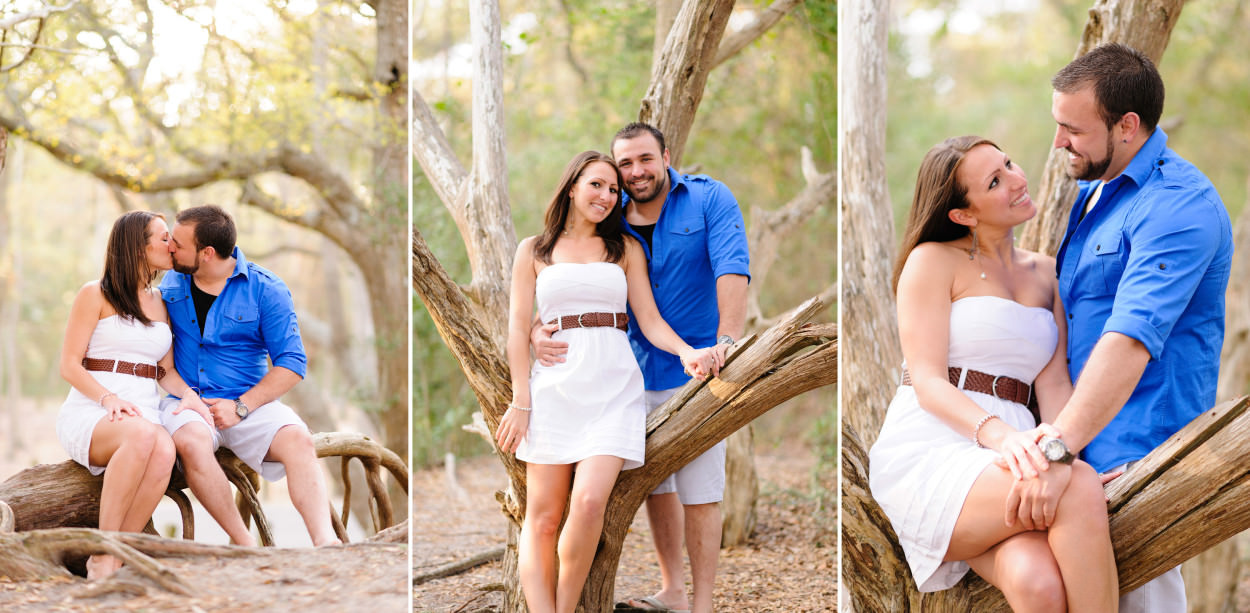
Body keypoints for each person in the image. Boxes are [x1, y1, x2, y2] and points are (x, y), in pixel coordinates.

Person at [868, 136, 1119, 612]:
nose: (1017, 179)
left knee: (1036, 583)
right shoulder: (931, 262)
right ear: (964, 214)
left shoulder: (1049, 274)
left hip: (1023, 448)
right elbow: (927, 381)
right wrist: (1007, 440)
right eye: (995, 181)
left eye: (1008, 163)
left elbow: (1054, 386)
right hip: (937, 447)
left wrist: (1065, 452)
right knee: (1080, 487)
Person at [1046, 43, 1233, 612]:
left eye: (1071, 129)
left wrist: (1055, 452)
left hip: (1137, 463)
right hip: (1081, 457)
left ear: (1127, 126)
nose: (1058, 143)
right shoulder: (1096, 190)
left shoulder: (1180, 205)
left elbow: (1128, 341)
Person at [535, 123, 750, 613]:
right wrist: (535, 329)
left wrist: (727, 343)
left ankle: (702, 604)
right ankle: (671, 588)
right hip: (626, 375)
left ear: (666, 156)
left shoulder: (708, 198)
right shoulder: (610, 218)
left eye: (644, 160)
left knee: (700, 489)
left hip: (700, 369)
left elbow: (732, 268)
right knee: (657, 485)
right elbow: (569, 281)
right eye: (624, 165)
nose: (634, 173)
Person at [495, 150, 719, 613]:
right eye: (597, 184)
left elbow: (651, 321)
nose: (607, 195)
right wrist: (522, 401)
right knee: (541, 518)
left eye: (613, 190)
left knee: (591, 501)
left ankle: (566, 605)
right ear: (572, 186)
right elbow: (518, 328)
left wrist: (687, 352)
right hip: (553, 390)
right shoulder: (533, 250)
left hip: (614, 389)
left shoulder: (625, 249)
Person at [157, 204, 339, 547]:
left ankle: (326, 544)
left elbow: (292, 364)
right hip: (186, 400)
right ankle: (244, 543)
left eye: (178, 244)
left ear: (207, 253)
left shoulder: (267, 289)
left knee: (300, 440)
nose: (170, 248)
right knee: (192, 442)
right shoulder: (171, 281)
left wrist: (240, 406)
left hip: (248, 404)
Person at [56, 210, 211, 579]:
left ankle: (115, 556)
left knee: (163, 449)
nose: (170, 245)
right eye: (162, 238)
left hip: (143, 411)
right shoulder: (95, 293)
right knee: (143, 435)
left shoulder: (161, 302)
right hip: (95, 411)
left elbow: (165, 372)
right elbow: (69, 365)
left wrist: (189, 397)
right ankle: (103, 547)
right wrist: (108, 398)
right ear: (136, 247)